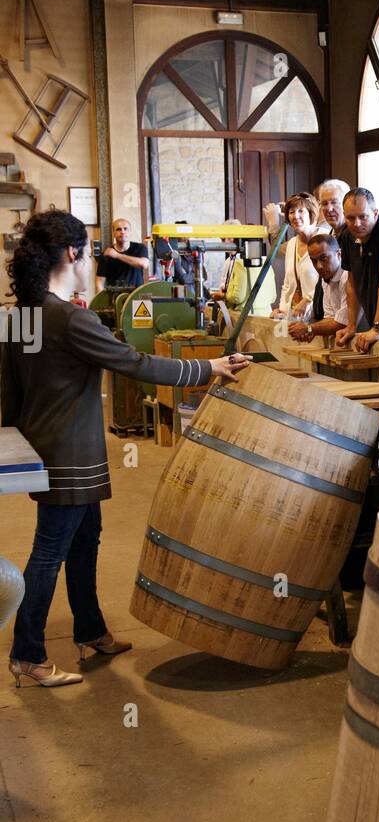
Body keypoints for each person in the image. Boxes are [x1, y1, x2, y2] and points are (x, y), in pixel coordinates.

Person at [0, 211, 248, 688]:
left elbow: (8, 390)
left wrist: (17, 447)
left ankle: (90, 631)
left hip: (50, 452)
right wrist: (208, 368)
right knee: (49, 554)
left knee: (83, 541)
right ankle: (27, 653)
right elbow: (133, 362)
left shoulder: (22, 316)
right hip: (71, 455)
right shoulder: (72, 317)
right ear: (73, 253)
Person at [335, 188, 379, 352]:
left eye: (363, 217)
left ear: (375, 214)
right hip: (373, 321)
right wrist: (352, 325)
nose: (357, 224)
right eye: (350, 218)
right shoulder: (347, 236)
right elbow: (352, 285)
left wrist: (377, 328)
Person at [273, 192, 326, 321]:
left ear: (311, 213)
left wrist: (308, 299)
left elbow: (329, 280)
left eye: (301, 211)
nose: (295, 216)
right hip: (295, 316)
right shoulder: (291, 243)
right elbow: (287, 283)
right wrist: (282, 310)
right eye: (291, 212)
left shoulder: (326, 238)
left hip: (321, 313)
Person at [288, 234, 349, 343]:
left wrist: (309, 328)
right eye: (314, 260)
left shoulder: (347, 277)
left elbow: (343, 322)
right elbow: (330, 318)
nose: (319, 266)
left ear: (339, 254)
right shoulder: (325, 279)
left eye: (323, 258)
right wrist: (314, 331)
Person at [95, 217, 149, 291]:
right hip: (115, 297)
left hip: (137, 296)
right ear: (113, 233)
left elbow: (144, 264)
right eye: (118, 229)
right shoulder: (106, 254)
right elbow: (99, 282)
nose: (122, 232)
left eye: (125, 229)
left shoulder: (140, 248)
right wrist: (101, 301)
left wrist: (117, 255)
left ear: (130, 232)